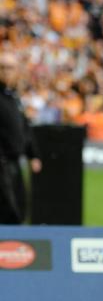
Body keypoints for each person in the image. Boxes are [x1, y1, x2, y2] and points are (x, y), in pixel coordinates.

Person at [0, 52, 42, 224]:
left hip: (14, 161)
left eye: (10, 68)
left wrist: (33, 154)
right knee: (8, 209)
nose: (6, 72)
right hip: (2, 162)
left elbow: (23, 127)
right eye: (2, 68)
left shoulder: (13, 97)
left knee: (20, 206)